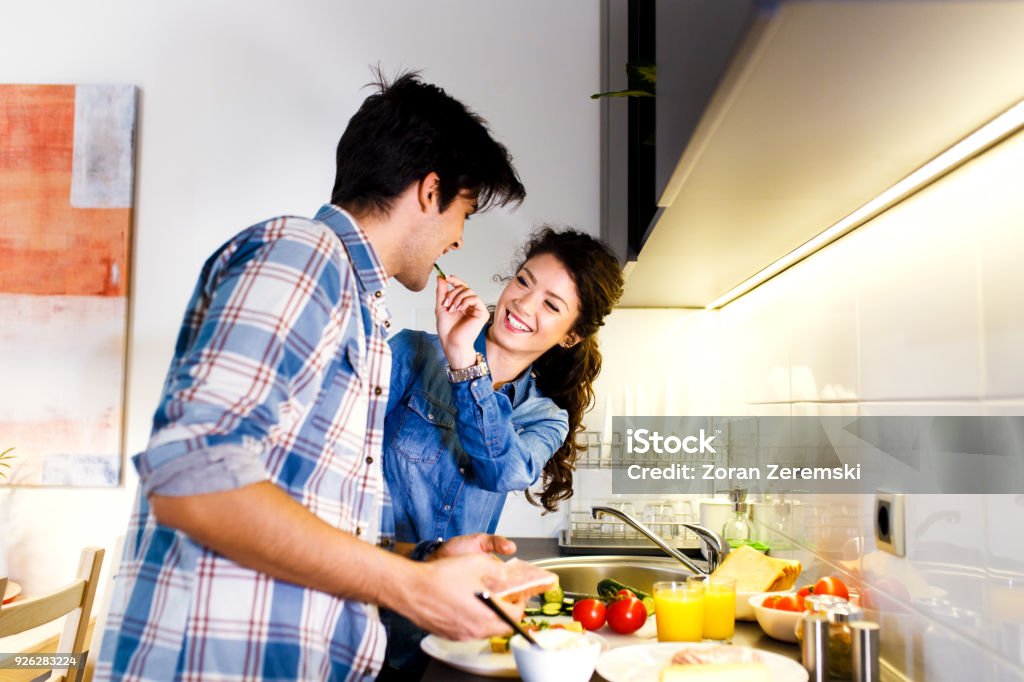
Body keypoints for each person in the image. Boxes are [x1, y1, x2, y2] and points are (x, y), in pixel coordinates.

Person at [95, 72, 528, 682]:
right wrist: (412, 589)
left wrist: (424, 560)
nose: (458, 239)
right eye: (464, 212)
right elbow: (193, 478)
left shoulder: (362, 308)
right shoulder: (303, 255)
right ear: (431, 192)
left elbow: (310, 525)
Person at [378, 227, 624, 677]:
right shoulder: (410, 353)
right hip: (361, 605)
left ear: (570, 336)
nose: (524, 304)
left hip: (445, 633)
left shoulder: (545, 417)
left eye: (551, 305)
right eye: (524, 281)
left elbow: (501, 471)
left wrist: (463, 364)